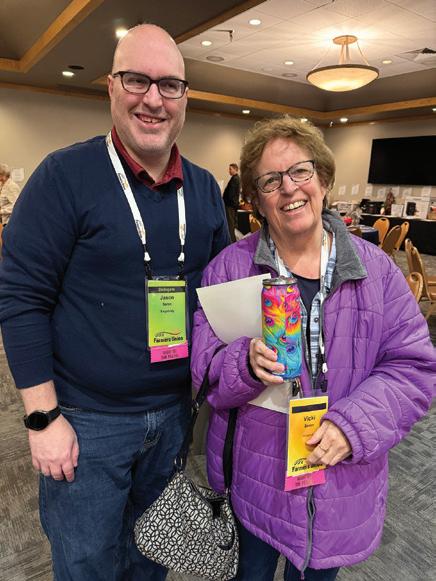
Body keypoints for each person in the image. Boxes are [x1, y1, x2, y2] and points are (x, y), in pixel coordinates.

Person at [0, 24, 229, 581]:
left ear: (184, 97)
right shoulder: (64, 176)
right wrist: (42, 418)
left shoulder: (203, 189)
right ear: (110, 86)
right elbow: (21, 297)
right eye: (136, 80)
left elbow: (222, 293)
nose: (153, 99)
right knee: (86, 563)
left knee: (152, 558)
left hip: (174, 417)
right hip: (85, 421)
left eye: (169, 85)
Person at [191, 116, 435, 581]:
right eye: (270, 180)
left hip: (341, 478)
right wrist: (243, 363)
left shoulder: (378, 271)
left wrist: (354, 426)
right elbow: (204, 372)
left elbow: (413, 368)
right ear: (256, 198)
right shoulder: (228, 269)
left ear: (323, 179)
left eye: (300, 171)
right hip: (256, 482)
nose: (289, 188)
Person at [223, 162, 241, 242]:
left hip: (230, 206)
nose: (229, 171)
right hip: (231, 205)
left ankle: (232, 243)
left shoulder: (235, 179)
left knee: (230, 226)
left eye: (230, 169)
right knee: (230, 225)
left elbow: (231, 194)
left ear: (235, 169)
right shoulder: (235, 178)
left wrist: (225, 199)